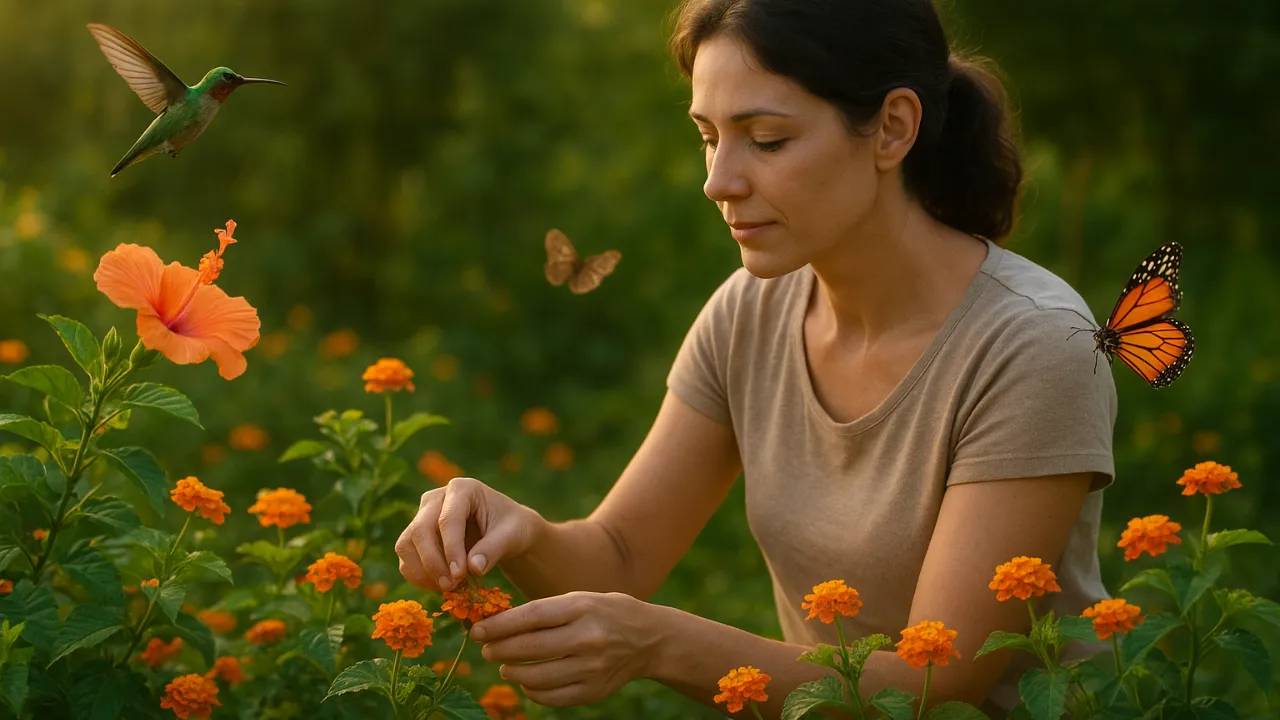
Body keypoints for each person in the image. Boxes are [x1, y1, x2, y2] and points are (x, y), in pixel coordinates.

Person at [395, 0, 1117, 715]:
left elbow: (933, 685)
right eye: (708, 137)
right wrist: (512, 531)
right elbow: (618, 555)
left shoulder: (1032, 346)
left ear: (892, 128)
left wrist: (658, 644)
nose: (719, 181)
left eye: (766, 140)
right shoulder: (750, 311)